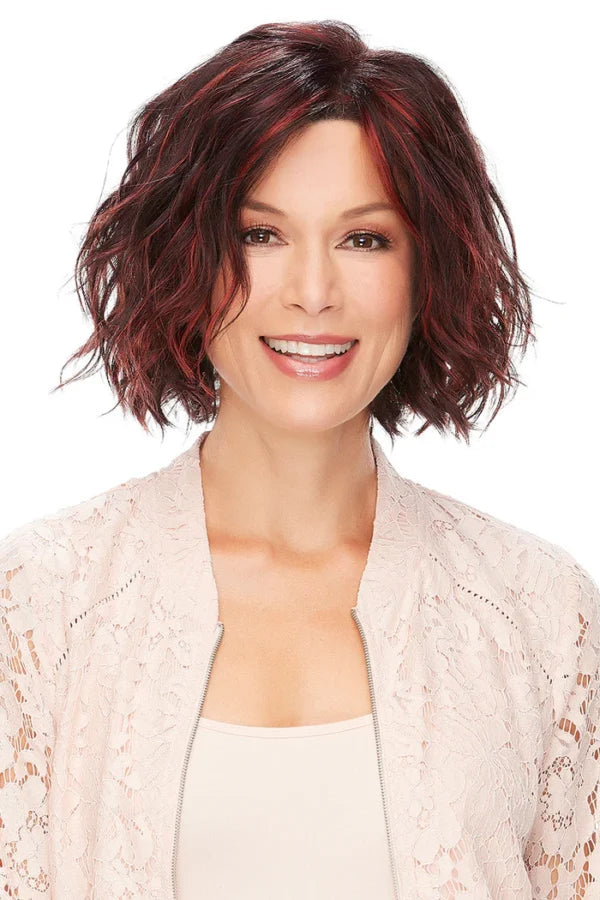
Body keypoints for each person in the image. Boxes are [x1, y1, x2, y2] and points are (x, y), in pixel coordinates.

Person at [1, 19, 598, 900]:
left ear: (426, 270)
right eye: (260, 234)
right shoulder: (42, 605)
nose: (313, 293)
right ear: (187, 257)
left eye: (365, 239)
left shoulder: (542, 615)